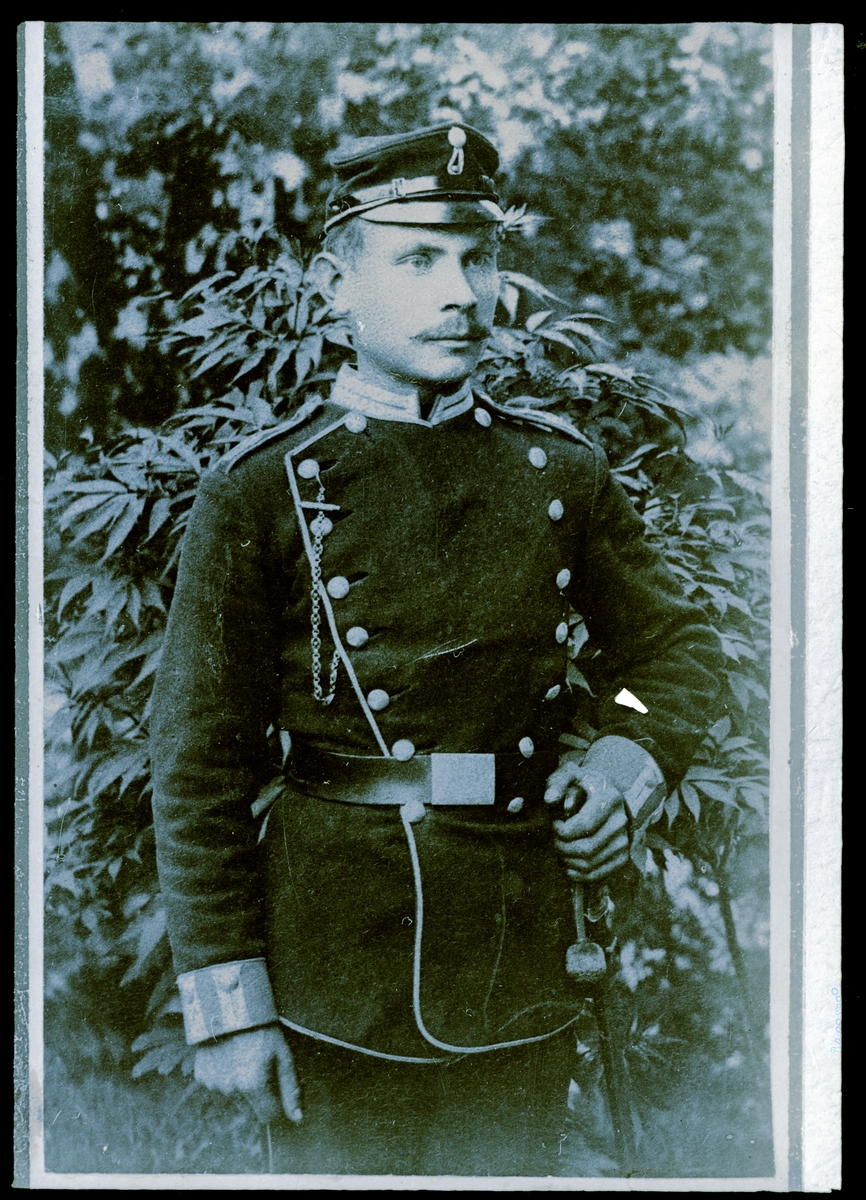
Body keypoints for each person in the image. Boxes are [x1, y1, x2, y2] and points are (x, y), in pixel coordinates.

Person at [150, 123, 722, 1177]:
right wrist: (229, 1005)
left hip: (517, 945)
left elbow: (674, 653)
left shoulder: (558, 471)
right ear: (336, 286)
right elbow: (198, 764)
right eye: (417, 259)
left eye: (477, 257)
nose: (460, 293)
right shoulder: (261, 489)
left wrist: (625, 755)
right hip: (335, 967)